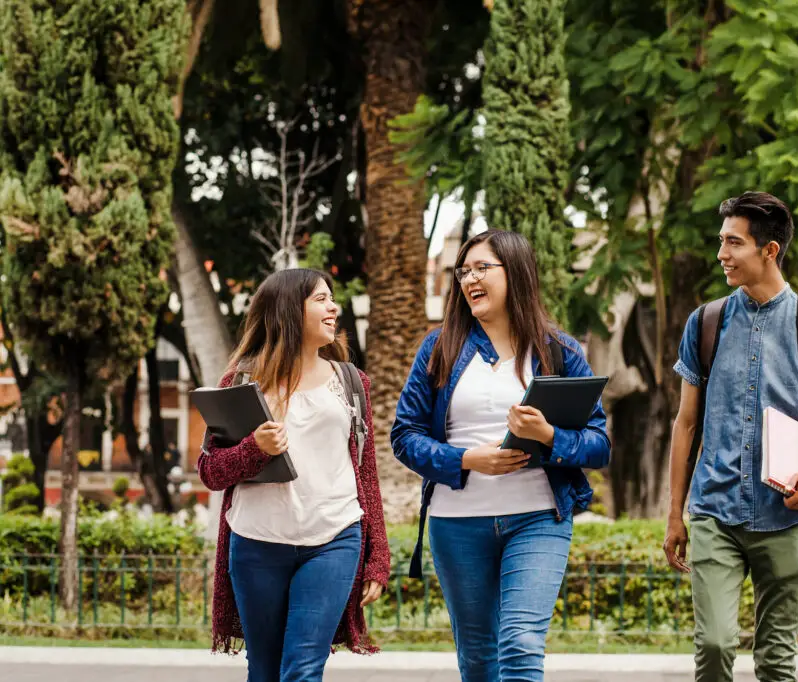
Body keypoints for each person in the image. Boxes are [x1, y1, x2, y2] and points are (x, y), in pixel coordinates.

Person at [392, 230, 610, 682]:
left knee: (521, 642)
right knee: (477, 657)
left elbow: (599, 444)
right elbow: (404, 435)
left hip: (537, 517)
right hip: (457, 522)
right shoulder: (439, 348)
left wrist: (549, 435)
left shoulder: (560, 351)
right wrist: (468, 459)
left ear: (516, 273)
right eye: (464, 270)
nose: (469, 278)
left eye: (481, 268)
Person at [662, 192, 798, 682]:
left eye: (734, 242)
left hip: (787, 514)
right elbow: (686, 423)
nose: (721, 254)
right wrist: (674, 514)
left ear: (769, 251)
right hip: (715, 511)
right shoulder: (705, 322)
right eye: (721, 241)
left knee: (775, 661)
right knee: (713, 646)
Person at [198, 268, 390, 682]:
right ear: (289, 309)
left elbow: (366, 472)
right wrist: (254, 450)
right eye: (321, 299)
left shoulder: (352, 382)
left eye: (332, 298)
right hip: (256, 544)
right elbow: (211, 472)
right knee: (265, 670)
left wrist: (378, 557)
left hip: (334, 539)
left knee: (303, 668)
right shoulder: (241, 382)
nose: (333, 307)